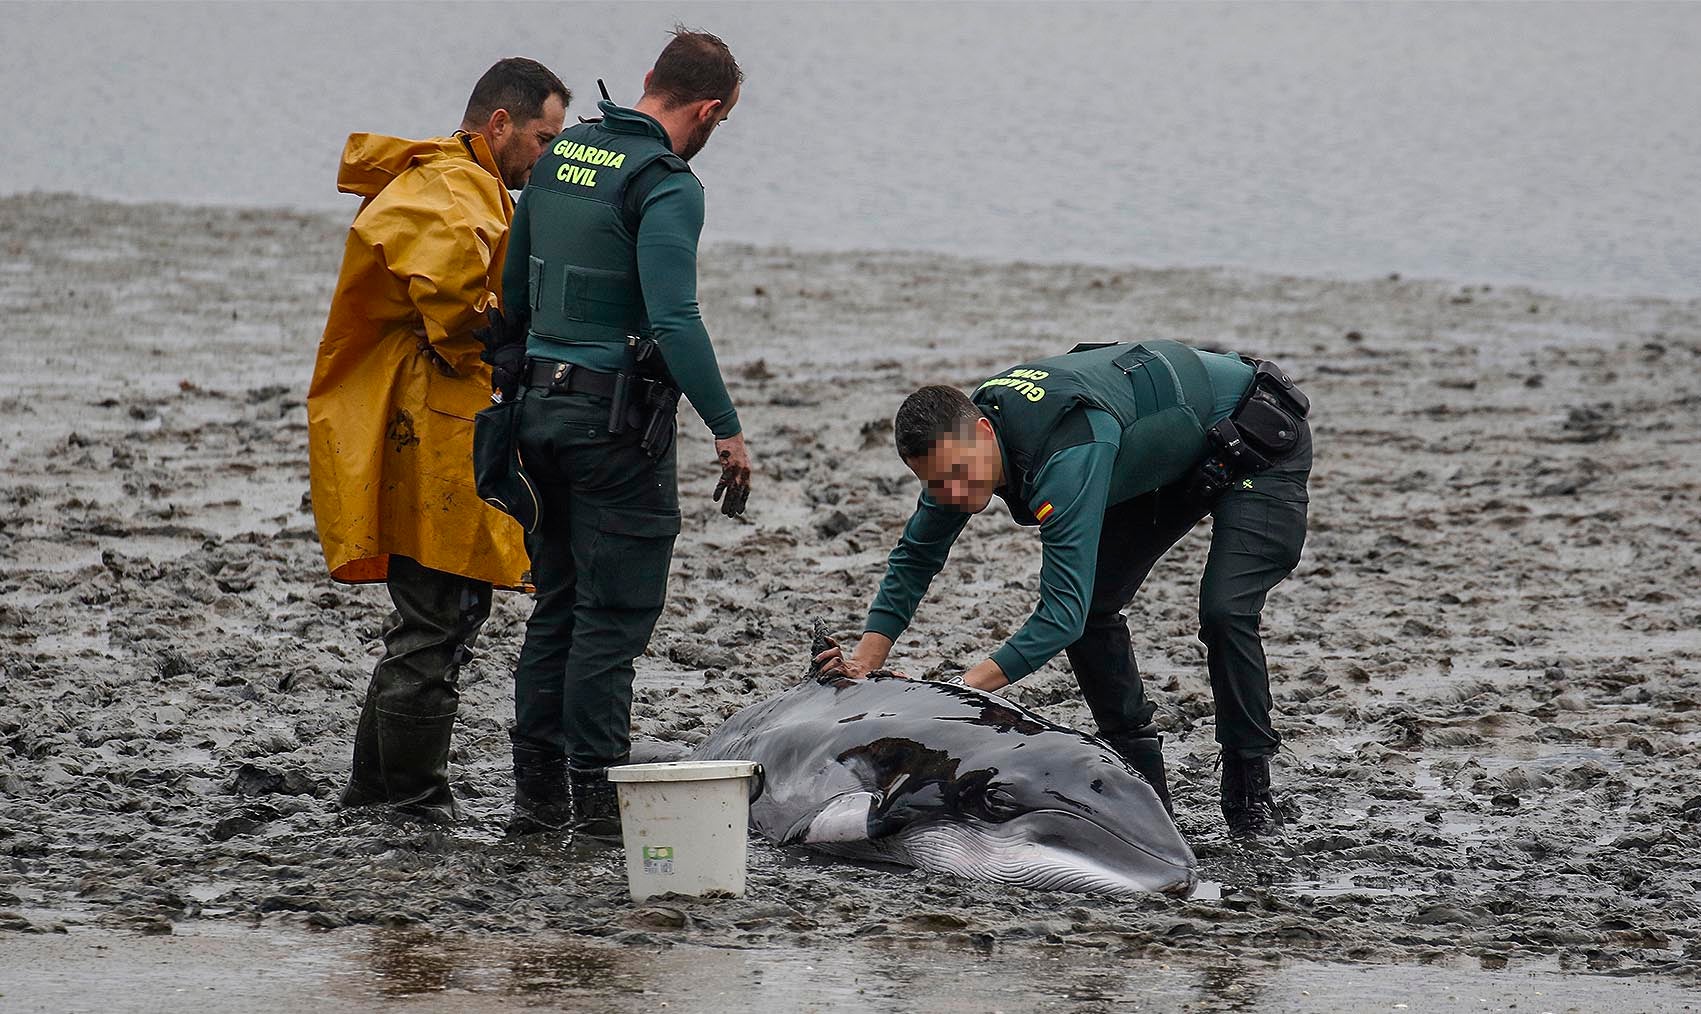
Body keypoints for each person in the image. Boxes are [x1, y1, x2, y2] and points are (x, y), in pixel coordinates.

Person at [816, 340, 1312, 838]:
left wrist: (959, 696)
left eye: (958, 474)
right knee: (1096, 606)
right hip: (1171, 455)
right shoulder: (956, 450)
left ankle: (1250, 791)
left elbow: (1059, 614)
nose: (953, 494)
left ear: (984, 432)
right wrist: (866, 660)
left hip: (1255, 436)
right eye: (935, 483)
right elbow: (916, 555)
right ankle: (1145, 783)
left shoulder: (1066, 452)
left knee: (1224, 612)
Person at [499, 28, 753, 838]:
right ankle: (599, 815)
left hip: (533, 415)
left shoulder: (562, 154)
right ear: (709, 110)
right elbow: (675, 318)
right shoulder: (666, 182)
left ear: (648, 79)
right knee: (611, 621)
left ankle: (535, 806)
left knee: (558, 606)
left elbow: (512, 294)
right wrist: (726, 430)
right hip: (612, 427)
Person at [307, 58, 570, 822]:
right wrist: (517, 347)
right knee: (438, 619)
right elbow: (455, 310)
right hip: (424, 431)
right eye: (544, 138)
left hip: (421, 423)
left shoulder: (455, 182)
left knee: (429, 622)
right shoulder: (448, 189)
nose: (548, 157)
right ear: (499, 124)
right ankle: (414, 799)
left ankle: (373, 792)